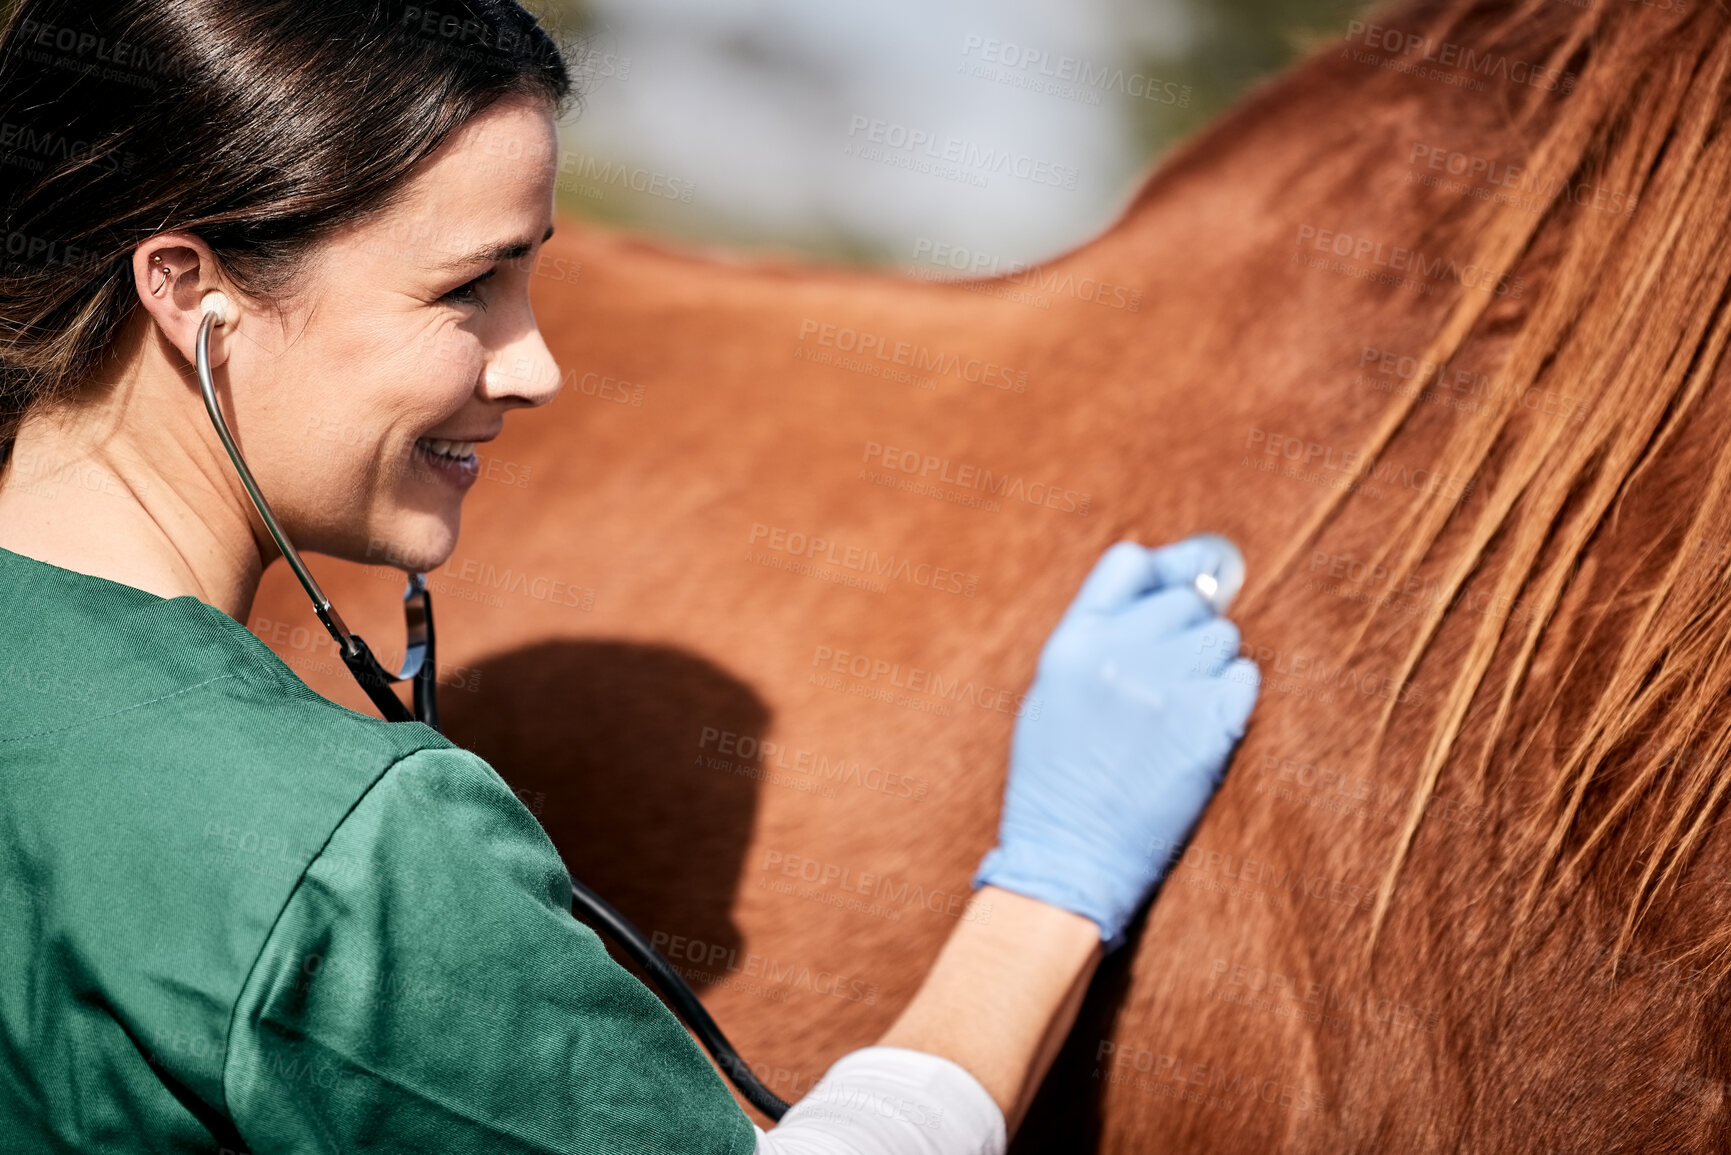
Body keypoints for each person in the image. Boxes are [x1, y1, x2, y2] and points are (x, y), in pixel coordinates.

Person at [0, 1, 1261, 1151]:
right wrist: (1047, 894)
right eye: (468, 288)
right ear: (189, 290)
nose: (536, 365)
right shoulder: (354, 867)